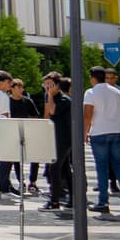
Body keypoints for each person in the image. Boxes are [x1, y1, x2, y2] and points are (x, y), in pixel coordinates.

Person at [84, 65, 120, 216]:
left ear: (93, 78)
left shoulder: (90, 92)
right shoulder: (117, 92)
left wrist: (85, 132)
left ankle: (103, 202)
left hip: (99, 132)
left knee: (102, 168)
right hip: (118, 131)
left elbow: (88, 114)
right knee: (119, 167)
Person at [41, 73, 73, 211]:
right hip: (53, 137)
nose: (47, 87)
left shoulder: (64, 100)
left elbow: (53, 110)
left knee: (54, 169)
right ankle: (73, 198)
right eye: (45, 85)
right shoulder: (49, 97)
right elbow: (47, 114)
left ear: (57, 85)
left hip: (63, 138)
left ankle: (54, 201)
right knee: (65, 169)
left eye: (50, 84)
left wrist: (50, 95)